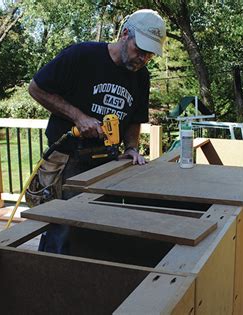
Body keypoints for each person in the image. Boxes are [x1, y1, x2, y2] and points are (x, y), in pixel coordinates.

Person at [28, 9, 166, 254]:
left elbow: (135, 119)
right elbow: (37, 88)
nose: (143, 59)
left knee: (100, 230)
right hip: (68, 160)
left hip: (107, 162)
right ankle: (50, 281)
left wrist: (131, 147)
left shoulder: (141, 76)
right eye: (140, 50)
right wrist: (78, 117)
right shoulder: (82, 56)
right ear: (125, 34)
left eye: (149, 55)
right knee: (63, 230)